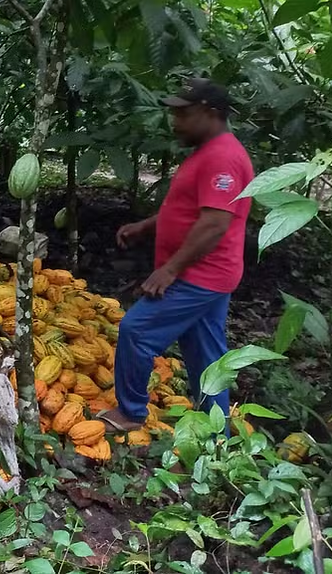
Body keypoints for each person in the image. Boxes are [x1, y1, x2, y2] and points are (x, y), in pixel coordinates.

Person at [98, 79, 253, 433]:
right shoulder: (209, 152)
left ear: (211, 114)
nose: (175, 121)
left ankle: (131, 413)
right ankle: (218, 436)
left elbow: (215, 223)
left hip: (200, 275)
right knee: (207, 359)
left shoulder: (224, 158)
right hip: (211, 274)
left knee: (136, 330)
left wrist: (170, 270)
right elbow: (191, 210)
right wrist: (148, 225)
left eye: (184, 113)